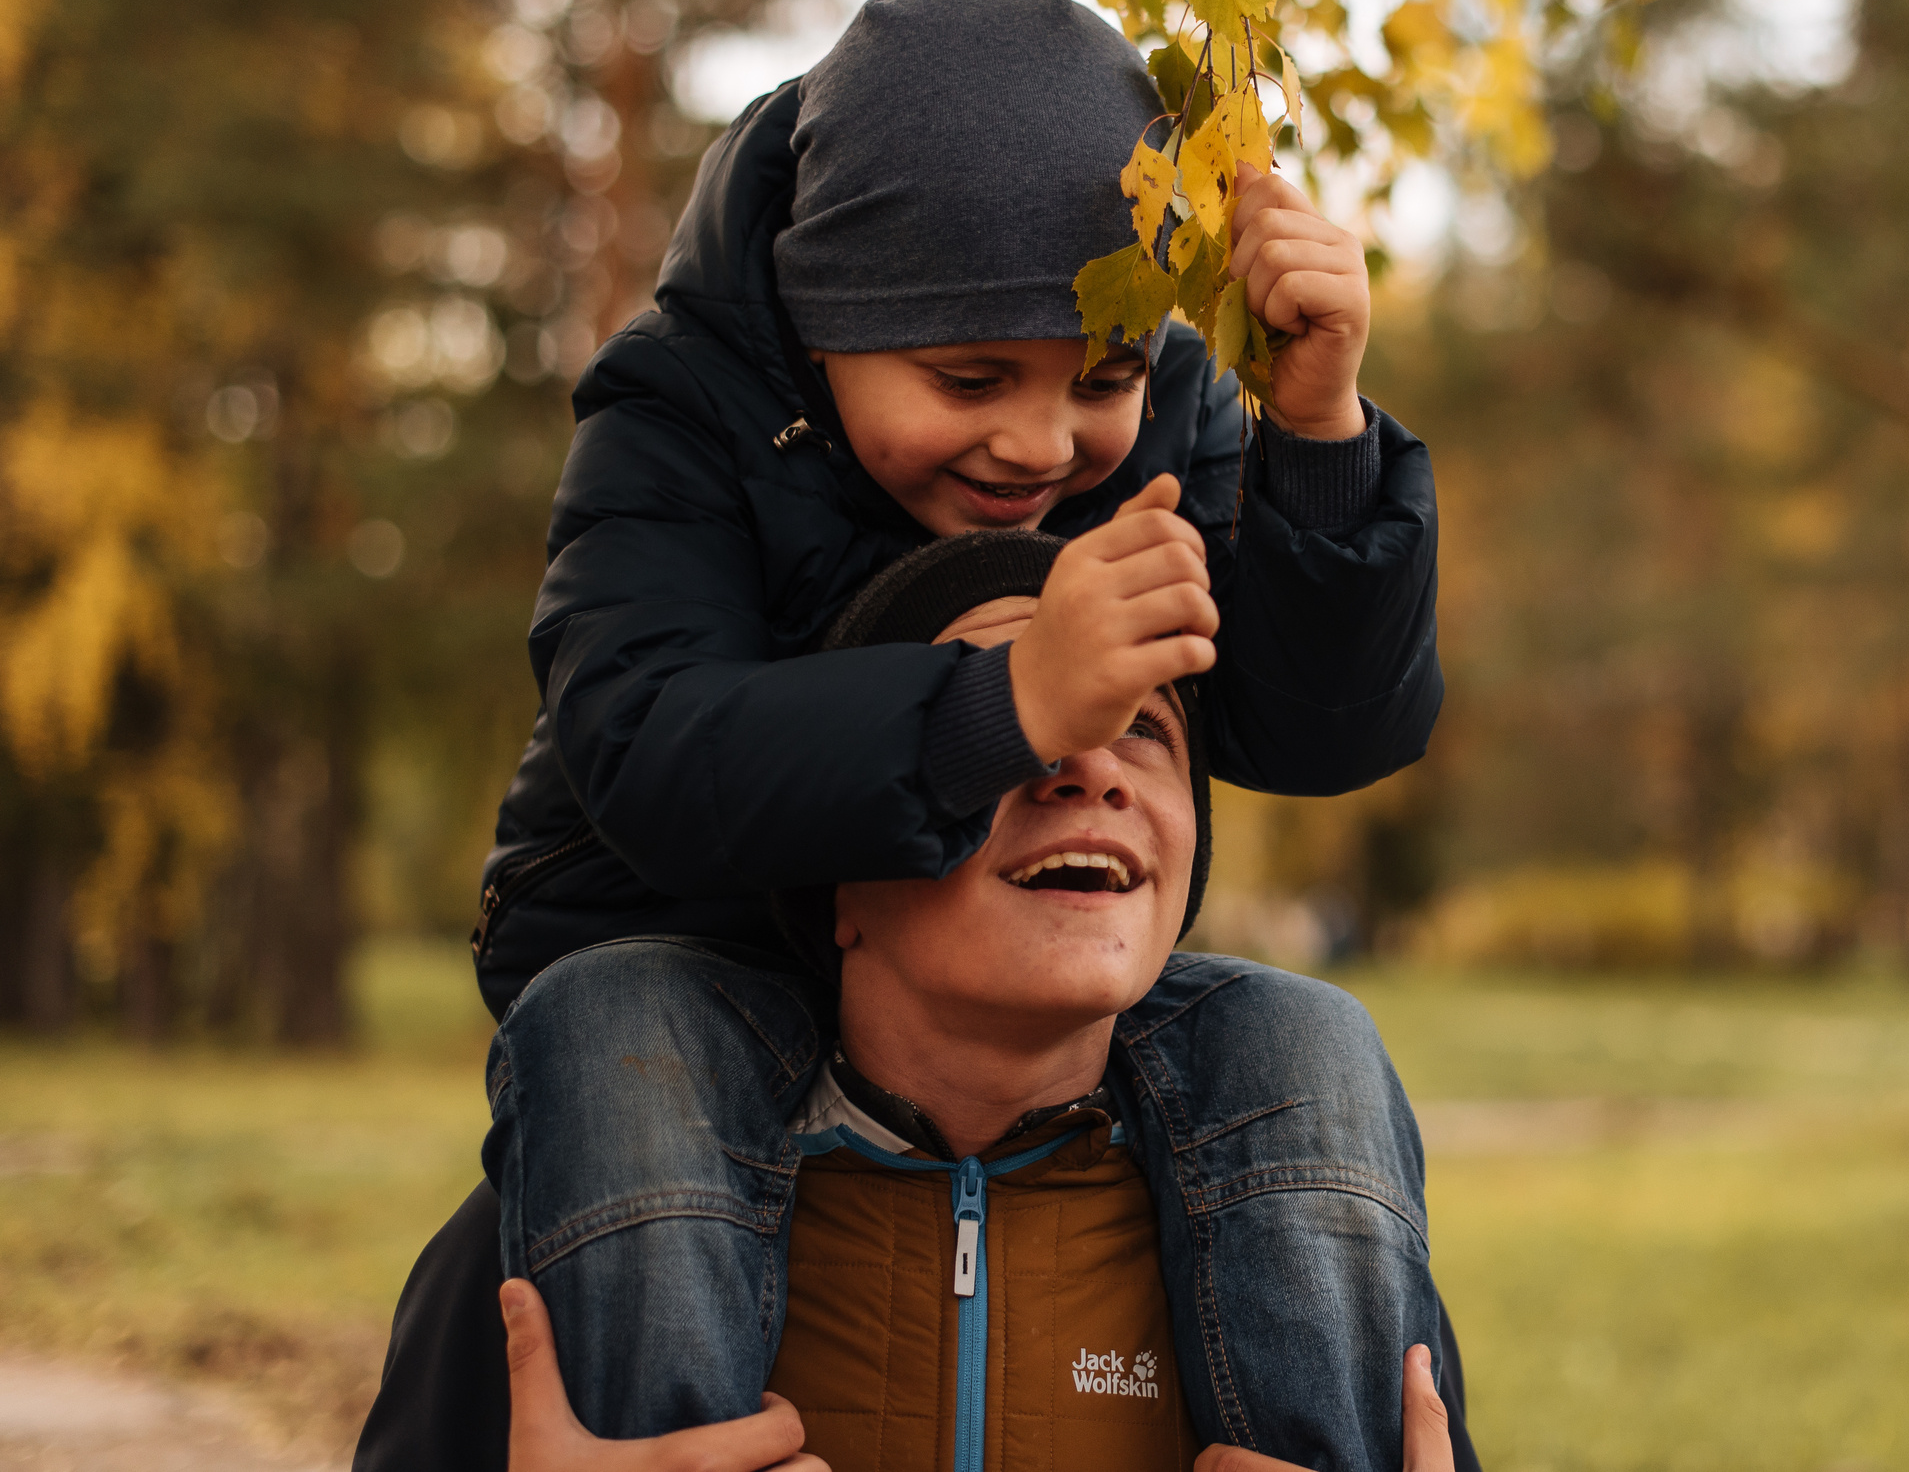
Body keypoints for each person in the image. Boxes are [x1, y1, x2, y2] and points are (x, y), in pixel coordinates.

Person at [357, 0, 1445, 1471]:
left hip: (1013, 975)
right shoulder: (686, 409)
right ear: (824, 320)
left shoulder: (1170, 416)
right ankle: (674, 1442)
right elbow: (646, 741)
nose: (1042, 442)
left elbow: (1312, 728)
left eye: (1105, 379)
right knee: (619, 1042)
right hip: (686, 934)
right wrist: (1003, 702)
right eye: (969, 377)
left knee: (1298, 1039)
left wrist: (1318, 439)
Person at [358, 535, 1472, 1472]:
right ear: (838, 879)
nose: (1089, 767)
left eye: (1143, 724)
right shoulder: (581, 1225)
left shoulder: (1308, 1228)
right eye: (1003, 716)